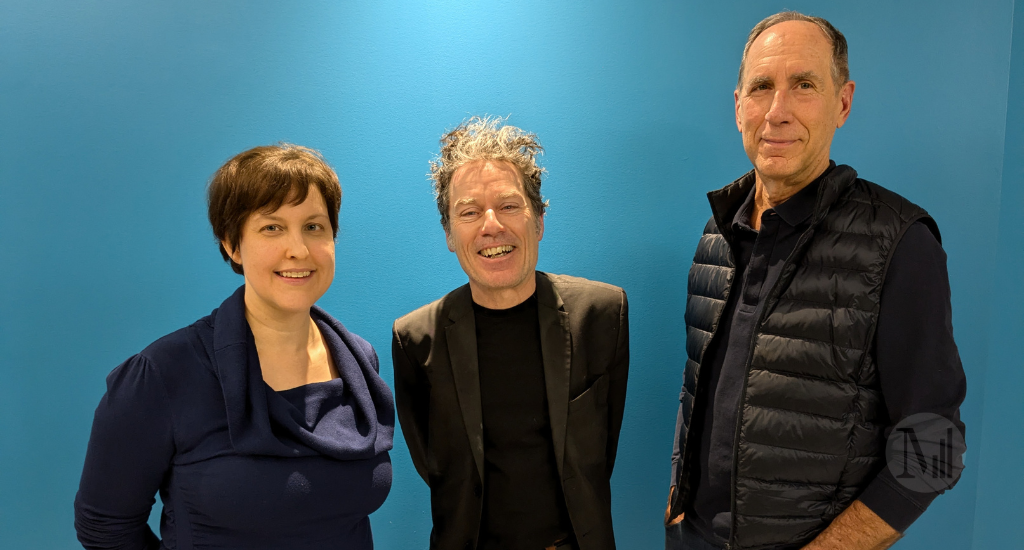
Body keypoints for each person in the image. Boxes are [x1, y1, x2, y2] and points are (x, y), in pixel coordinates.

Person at [665, 12, 967, 550]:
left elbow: (932, 446)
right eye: (761, 87)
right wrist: (678, 508)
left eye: (803, 85)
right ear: (739, 107)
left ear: (842, 103)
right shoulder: (717, 234)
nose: (777, 111)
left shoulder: (899, 243)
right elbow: (699, 394)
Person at [74, 144, 395, 550]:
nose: (298, 249)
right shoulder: (163, 374)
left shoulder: (357, 361)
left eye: (314, 227)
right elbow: (105, 527)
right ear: (232, 244)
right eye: (272, 228)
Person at [392, 117, 629, 550]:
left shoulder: (602, 313)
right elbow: (434, 468)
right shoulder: (414, 340)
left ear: (538, 220)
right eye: (468, 212)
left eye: (508, 205)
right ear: (448, 233)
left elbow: (600, 453)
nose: (491, 226)